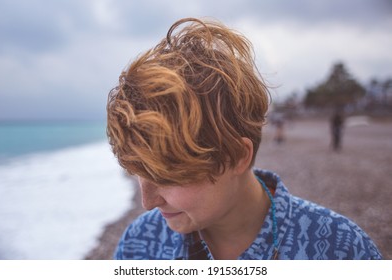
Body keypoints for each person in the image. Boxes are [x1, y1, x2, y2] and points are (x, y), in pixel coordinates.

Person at [106, 18, 382, 260]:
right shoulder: (139, 245)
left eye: (166, 176)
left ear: (237, 156)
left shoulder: (340, 251)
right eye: (137, 173)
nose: (147, 202)